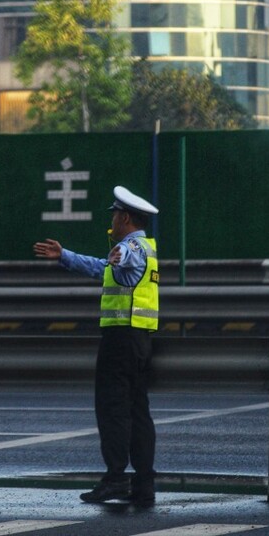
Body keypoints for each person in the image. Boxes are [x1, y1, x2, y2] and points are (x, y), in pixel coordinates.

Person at [33, 185, 159, 505]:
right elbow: (104, 269)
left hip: (120, 339)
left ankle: (115, 478)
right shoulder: (148, 247)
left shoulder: (130, 248)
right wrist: (65, 256)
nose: (113, 219)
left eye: (115, 214)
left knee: (112, 408)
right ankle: (144, 484)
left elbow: (119, 261)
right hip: (141, 338)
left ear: (126, 217)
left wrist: (119, 256)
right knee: (138, 411)